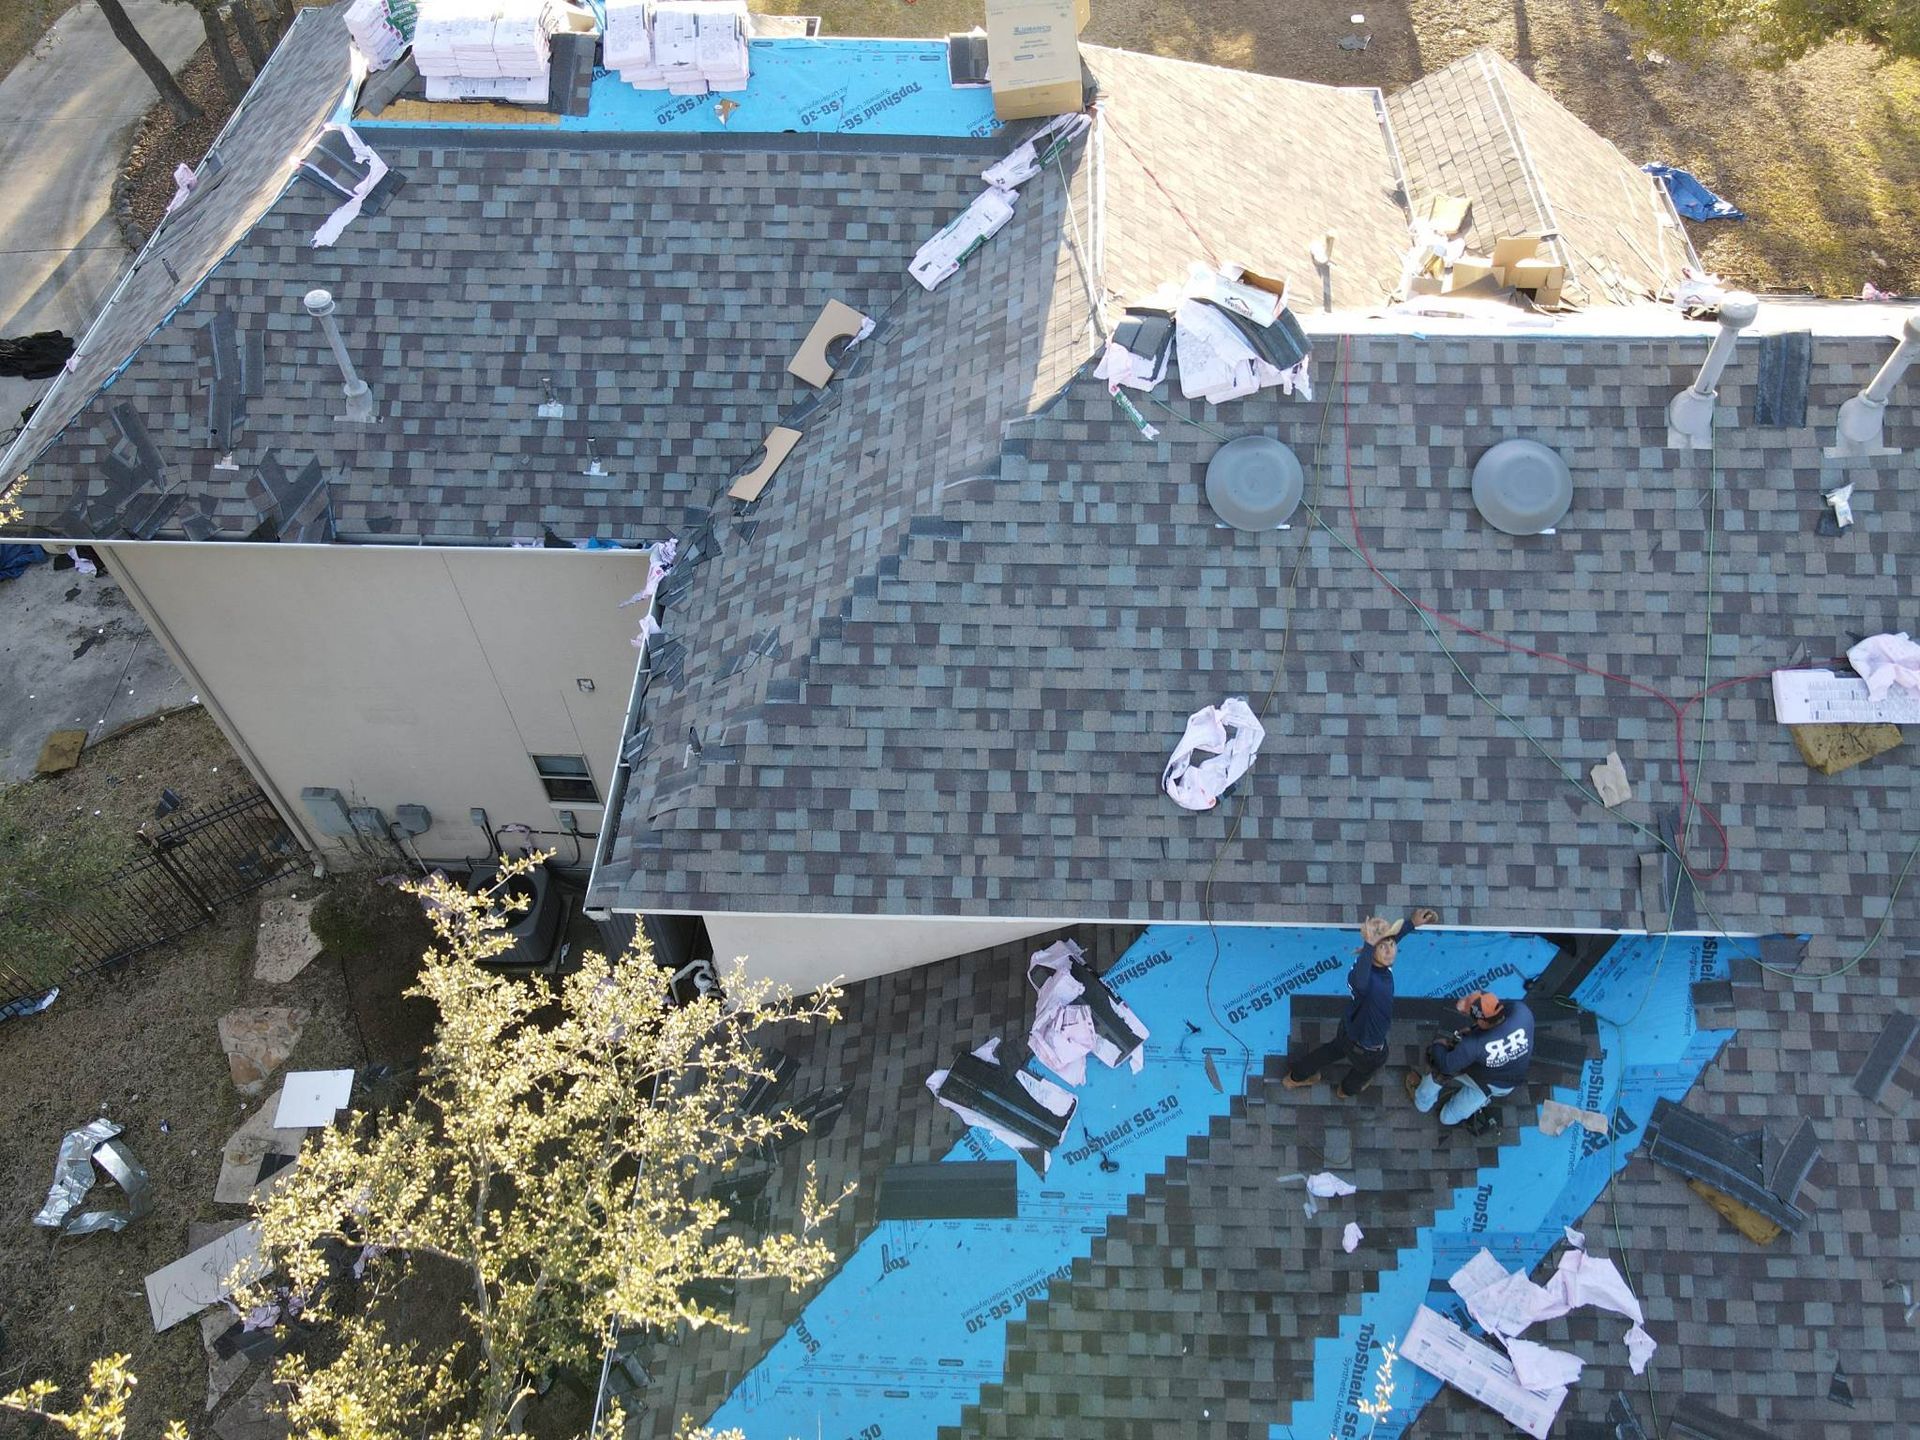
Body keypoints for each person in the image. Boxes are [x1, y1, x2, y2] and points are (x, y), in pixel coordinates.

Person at [1283, 908, 1438, 1099]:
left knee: (1329, 1051)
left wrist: (1410, 924)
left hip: (1348, 1028)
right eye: (1382, 947)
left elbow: (1386, 943)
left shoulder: (1368, 962)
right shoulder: (1371, 984)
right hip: (1367, 1049)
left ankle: (1295, 1077)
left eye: (1391, 943)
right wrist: (1370, 945)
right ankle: (1345, 1091)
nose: (1390, 949)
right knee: (1365, 1071)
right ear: (1373, 951)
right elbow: (1360, 981)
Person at [1405, 990, 1534, 1126]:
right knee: (1448, 1118)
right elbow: (1497, 1026)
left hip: (1481, 1075)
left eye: (1469, 1014)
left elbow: (1446, 1065)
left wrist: (1439, 1046)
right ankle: (1459, 1111)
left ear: (1482, 1022)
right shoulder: (1522, 1012)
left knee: (1440, 1066)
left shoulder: (1473, 1045)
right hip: (1505, 1085)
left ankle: (1422, 1102)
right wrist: (1474, 1030)